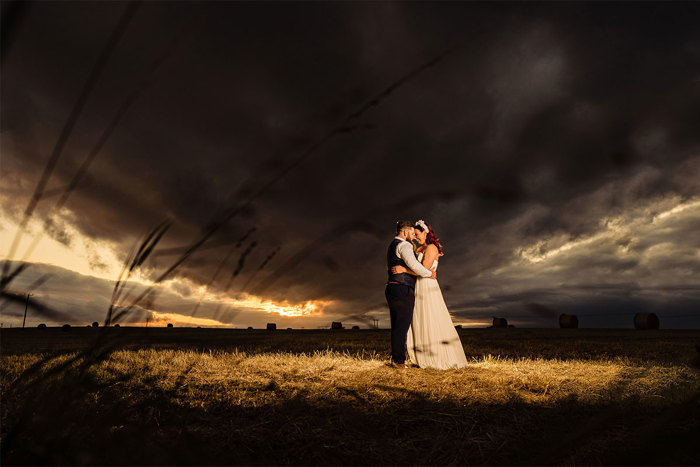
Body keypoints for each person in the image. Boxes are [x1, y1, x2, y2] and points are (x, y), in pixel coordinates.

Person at [391, 220, 468, 369]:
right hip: (418, 286)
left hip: (427, 285)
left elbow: (423, 269)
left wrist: (404, 270)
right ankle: (421, 357)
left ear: (425, 232)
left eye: (417, 234)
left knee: (429, 317)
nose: (415, 236)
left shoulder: (431, 248)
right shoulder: (419, 248)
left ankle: (435, 358)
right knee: (419, 319)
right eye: (414, 234)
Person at [385, 220, 436, 368]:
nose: (413, 236)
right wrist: (429, 274)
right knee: (402, 326)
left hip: (392, 287)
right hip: (402, 289)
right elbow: (414, 266)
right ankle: (399, 362)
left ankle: (397, 359)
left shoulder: (392, 245)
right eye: (412, 233)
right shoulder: (404, 245)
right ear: (405, 232)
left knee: (397, 325)